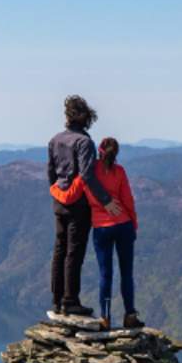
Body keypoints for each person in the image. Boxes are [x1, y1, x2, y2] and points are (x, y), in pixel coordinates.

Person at [46, 95, 125, 317]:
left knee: (59, 249)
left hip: (59, 202)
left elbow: (51, 173)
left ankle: (57, 300)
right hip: (78, 205)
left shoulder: (55, 140)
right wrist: (106, 201)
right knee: (75, 251)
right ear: (84, 117)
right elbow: (87, 175)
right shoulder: (84, 143)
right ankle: (70, 301)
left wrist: (57, 193)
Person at [85, 137, 141, 329]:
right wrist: (133, 223)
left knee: (105, 274)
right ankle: (130, 315)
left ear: (99, 151)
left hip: (101, 228)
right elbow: (128, 200)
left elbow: (83, 191)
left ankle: (105, 318)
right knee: (127, 273)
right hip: (124, 224)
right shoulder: (120, 171)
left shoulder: (90, 171)